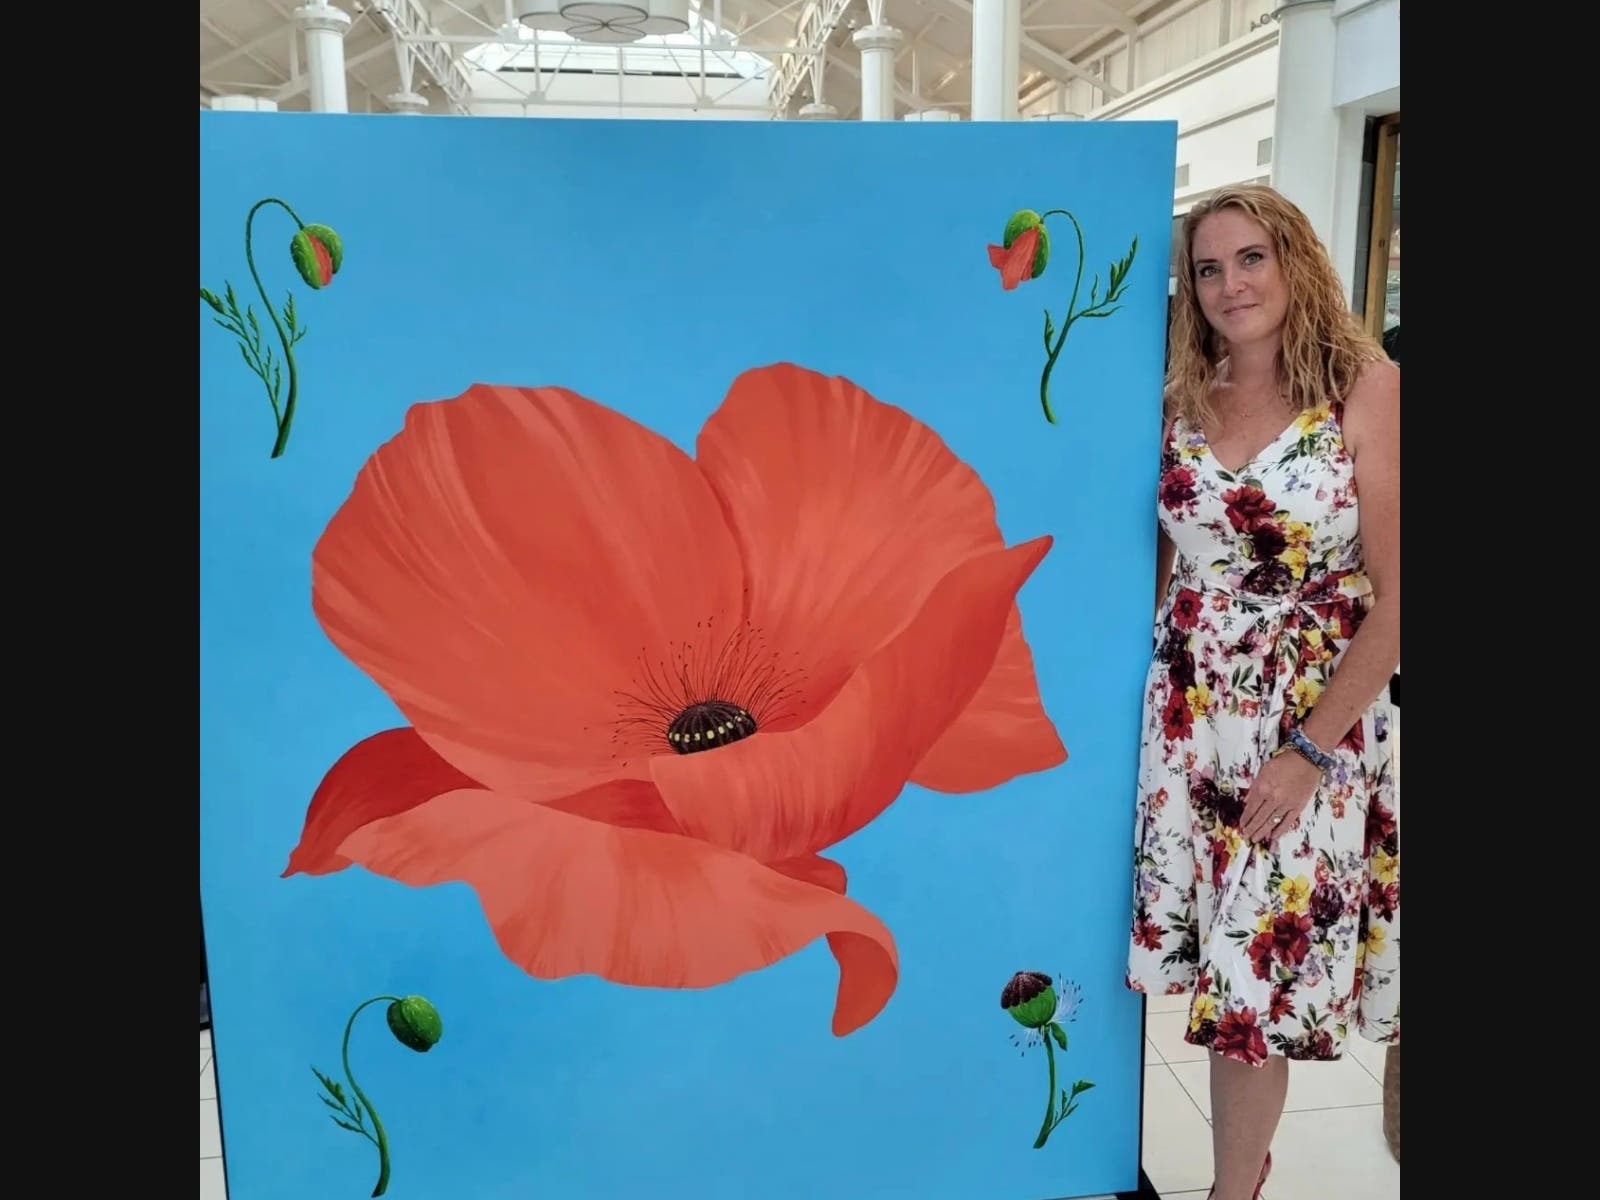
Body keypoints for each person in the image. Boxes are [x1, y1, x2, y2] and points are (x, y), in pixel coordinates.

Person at [1124, 184, 1400, 1200]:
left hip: (1305, 729)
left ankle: (1230, 1188)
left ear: (1293, 262)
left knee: (1253, 985)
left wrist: (1310, 750)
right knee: (1200, 972)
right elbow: (1154, 559)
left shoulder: (1363, 390)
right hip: (1187, 719)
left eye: (1249, 258)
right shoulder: (1172, 393)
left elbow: (1401, 600)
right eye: (1207, 268)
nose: (1229, 284)